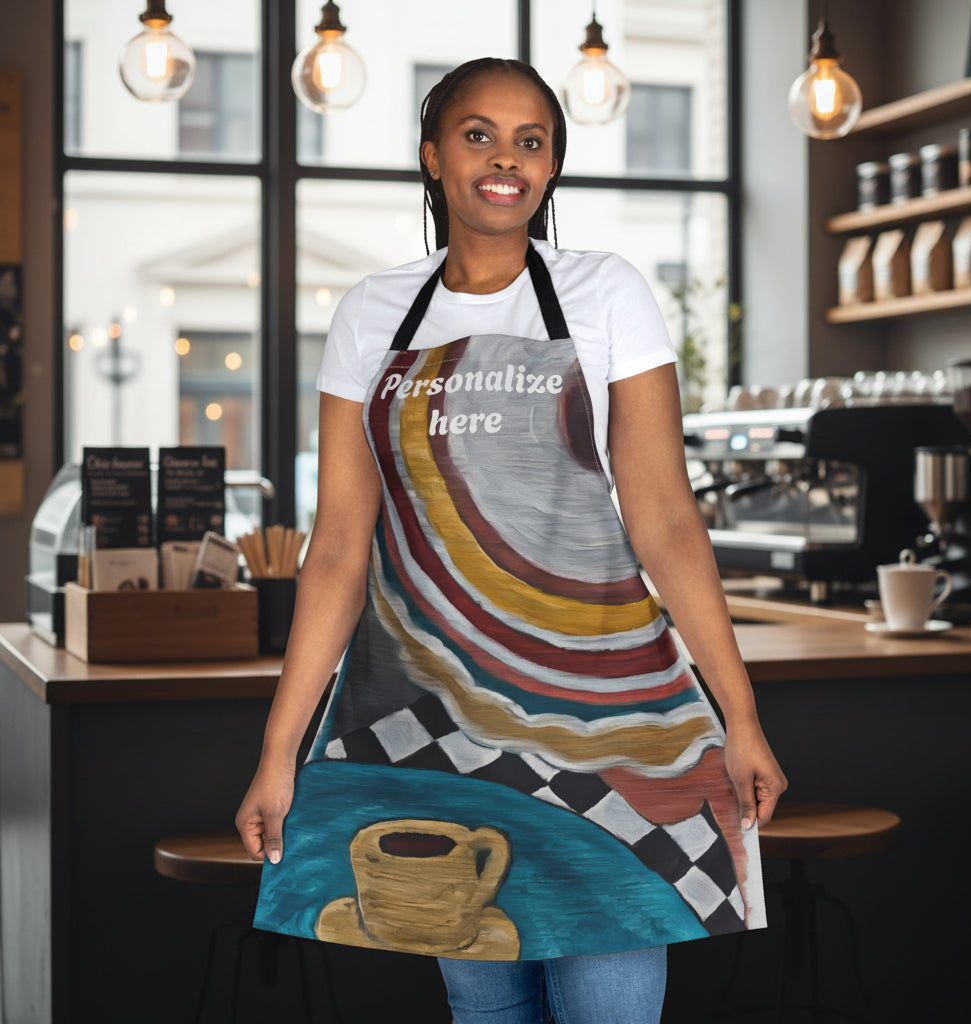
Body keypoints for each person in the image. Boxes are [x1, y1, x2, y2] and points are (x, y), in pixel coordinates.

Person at [236, 57, 786, 1024]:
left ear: (553, 167)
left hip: (613, 719)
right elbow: (339, 548)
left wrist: (739, 715)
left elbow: (664, 519)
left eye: (532, 141)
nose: (506, 160)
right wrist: (280, 750)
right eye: (479, 135)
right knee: (487, 1012)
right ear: (432, 158)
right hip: (434, 724)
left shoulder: (605, 292)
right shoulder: (373, 313)